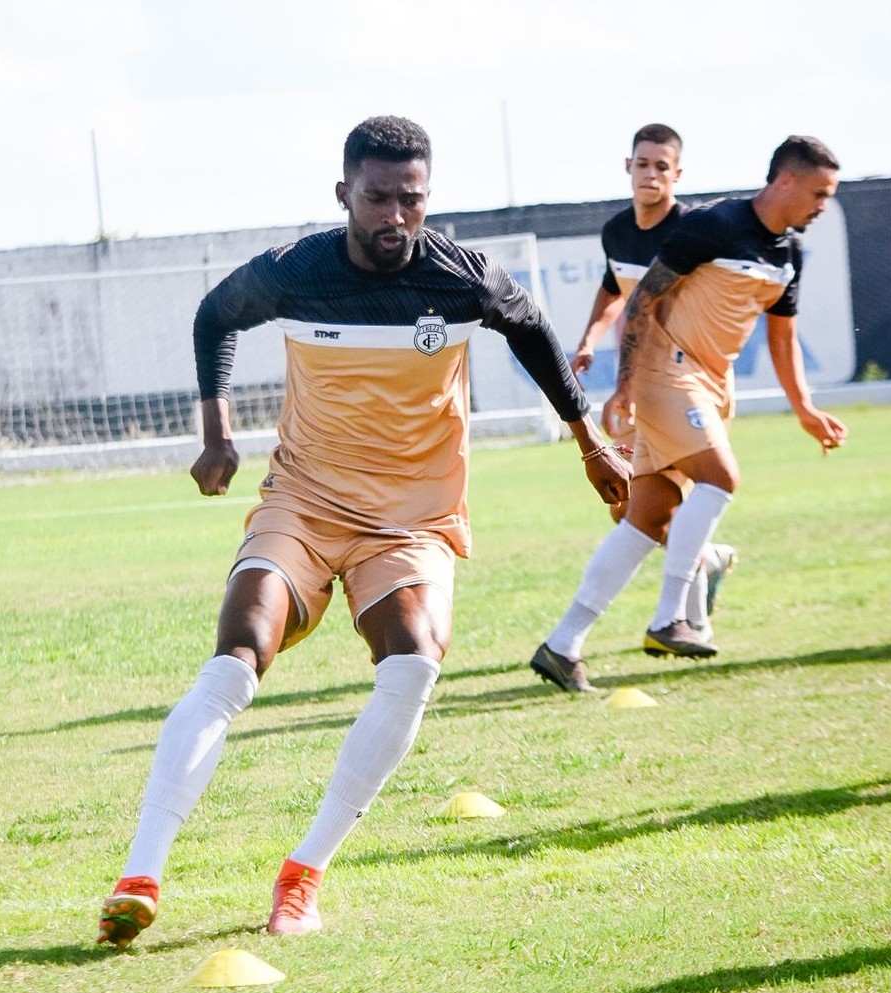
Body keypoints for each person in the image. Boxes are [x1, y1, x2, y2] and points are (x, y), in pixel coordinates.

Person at [96, 115, 632, 947]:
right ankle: (141, 873)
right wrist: (217, 431)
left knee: (415, 659)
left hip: (410, 519)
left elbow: (531, 332)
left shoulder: (462, 279)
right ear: (343, 191)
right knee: (236, 661)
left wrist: (587, 437)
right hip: (303, 504)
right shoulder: (296, 271)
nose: (393, 216)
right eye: (376, 197)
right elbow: (214, 317)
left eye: (409, 200)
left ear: (427, 197)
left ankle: (304, 872)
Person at [533, 134, 848, 679]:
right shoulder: (713, 225)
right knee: (721, 476)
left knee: (645, 516)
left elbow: (782, 339)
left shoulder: (788, 252)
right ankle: (671, 620)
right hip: (666, 373)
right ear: (786, 180)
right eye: (819, 193)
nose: (823, 206)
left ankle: (563, 646)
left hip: (710, 383)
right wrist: (627, 384)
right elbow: (643, 298)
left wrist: (805, 410)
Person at [532, 124, 736, 694]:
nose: (651, 174)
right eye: (642, 164)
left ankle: (579, 640)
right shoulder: (618, 232)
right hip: (658, 384)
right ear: (628, 166)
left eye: (661, 166)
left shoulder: (692, 231)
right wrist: (592, 338)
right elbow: (613, 291)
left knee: (651, 510)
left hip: (687, 379)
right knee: (646, 508)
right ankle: (683, 603)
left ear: (678, 174)